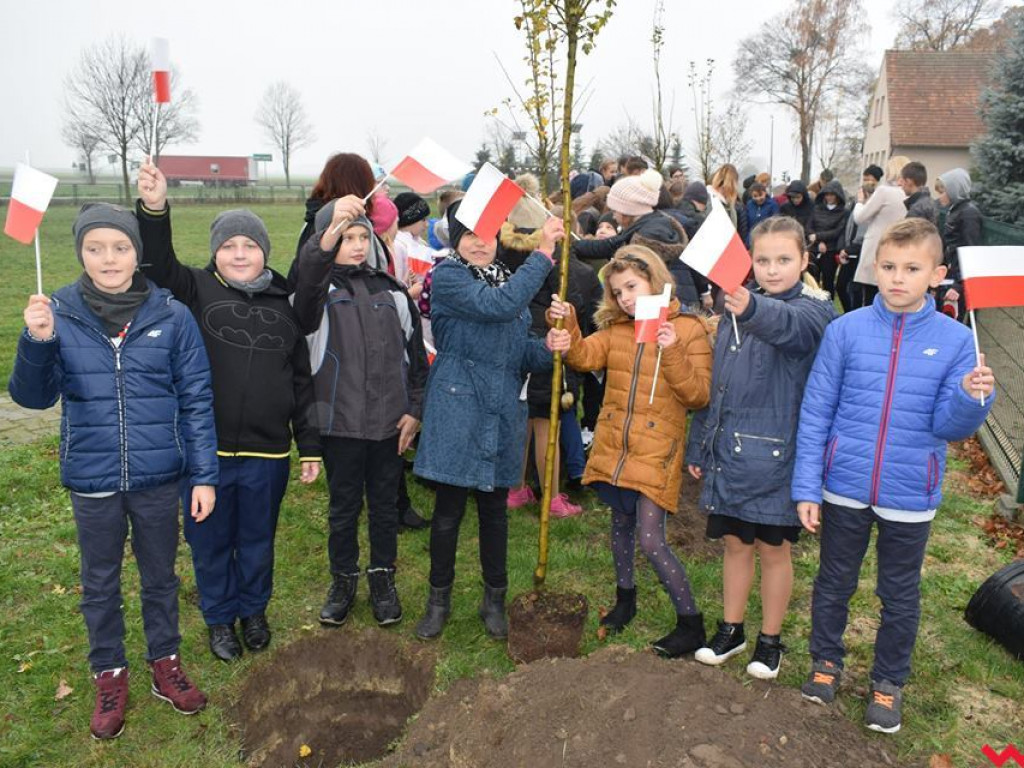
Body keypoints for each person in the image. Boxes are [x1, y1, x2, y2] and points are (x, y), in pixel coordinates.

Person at [9, 203, 216, 740]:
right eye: (96, 247)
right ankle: (109, 673)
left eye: (120, 247)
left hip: (157, 477)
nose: (109, 258)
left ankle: (164, 662)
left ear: (136, 252)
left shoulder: (172, 316)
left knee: (161, 578)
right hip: (93, 478)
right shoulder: (56, 310)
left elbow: (196, 399)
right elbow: (32, 398)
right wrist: (37, 341)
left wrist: (204, 476)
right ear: (79, 250)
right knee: (99, 582)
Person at [792, 218, 995, 734]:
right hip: (844, 486)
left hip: (910, 492)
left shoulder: (955, 342)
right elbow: (817, 410)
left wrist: (974, 399)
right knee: (835, 582)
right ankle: (825, 662)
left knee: (898, 593)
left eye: (911, 268)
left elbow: (946, 426)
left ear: (937, 274)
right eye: (888, 267)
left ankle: (888, 682)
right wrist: (807, 485)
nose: (897, 278)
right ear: (874, 268)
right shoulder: (845, 330)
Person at [135, 165, 321, 662]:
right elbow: (155, 265)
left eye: (250, 245)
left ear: (265, 251)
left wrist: (311, 446)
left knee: (258, 539)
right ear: (215, 252)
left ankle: (253, 611)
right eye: (229, 245)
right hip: (204, 456)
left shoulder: (286, 305)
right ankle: (219, 619)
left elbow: (301, 382)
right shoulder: (192, 291)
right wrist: (155, 209)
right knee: (211, 543)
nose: (240, 253)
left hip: (268, 453)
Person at [686, 217, 836, 679]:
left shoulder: (816, 309)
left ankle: (770, 640)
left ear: (805, 261)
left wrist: (750, 307)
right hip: (729, 453)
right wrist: (701, 444)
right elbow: (720, 384)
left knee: (773, 549)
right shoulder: (736, 304)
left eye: (784, 259)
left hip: (777, 458)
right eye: (763, 259)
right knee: (734, 543)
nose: (772, 269)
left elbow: (790, 328)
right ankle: (732, 630)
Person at [413, 204, 569, 640]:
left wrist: (551, 346)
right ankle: (437, 601)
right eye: (470, 235)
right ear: (455, 240)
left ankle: (493, 600)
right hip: (458, 406)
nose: (481, 243)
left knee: (494, 512)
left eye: (488, 234)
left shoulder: (505, 278)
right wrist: (543, 252)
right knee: (447, 512)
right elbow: (497, 306)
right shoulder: (447, 277)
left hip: (501, 409)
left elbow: (519, 352)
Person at [548, 246, 713, 657]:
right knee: (619, 527)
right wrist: (569, 325)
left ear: (655, 281)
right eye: (617, 290)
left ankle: (690, 622)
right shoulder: (619, 329)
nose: (624, 297)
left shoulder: (689, 330)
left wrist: (672, 348)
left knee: (651, 539)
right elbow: (585, 357)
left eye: (632, 287)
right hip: (615, 447)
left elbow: (697, 395)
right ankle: (626, 599)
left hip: (656, 451)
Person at [292, 198, 429, 629]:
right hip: (341, 425)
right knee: (344, 507)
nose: (354, 245)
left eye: (361, 237)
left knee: (385, 505)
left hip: (390, 425)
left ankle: (382, 577)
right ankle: (343, 578)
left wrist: (415, 411)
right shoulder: (315, 295)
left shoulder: (392, 293)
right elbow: (308, 280)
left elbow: (417, 363)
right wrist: (325, 238)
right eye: (345, 237)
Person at [573, 170, 704, 311]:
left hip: (669, 307)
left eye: (615, 210)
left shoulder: (648, 236)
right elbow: (608, 245)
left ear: (627, 210)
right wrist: (574, 245)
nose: (614, 216)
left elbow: (613, 247)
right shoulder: (646, 225)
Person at [852, 159, 908, 307]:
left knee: (870, 297)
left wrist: (860, 201)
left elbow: (860, 217)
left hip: (876, 246)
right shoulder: (908, 195)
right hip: (898, 248)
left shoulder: (884, 191)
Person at [935, 168, 982, 321]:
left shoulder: (969, 213)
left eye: (942, 192)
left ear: (954, 191)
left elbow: (970, 251)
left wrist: (959, 285)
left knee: (951, 323)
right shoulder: (953, 211)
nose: (939, 196)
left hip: (956, 281)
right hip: (948, 277)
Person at [806, 180, 849, 299]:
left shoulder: (844, 212)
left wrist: (819, 237)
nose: (829, 197)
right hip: (815, 248)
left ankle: (828, 307)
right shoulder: (817, 209)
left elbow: (838, 231)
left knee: (828, 281)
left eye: (832, 194)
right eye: (827, 194)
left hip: (831, 250)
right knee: (812, 280)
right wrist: (819, 241)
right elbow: (809, 227)